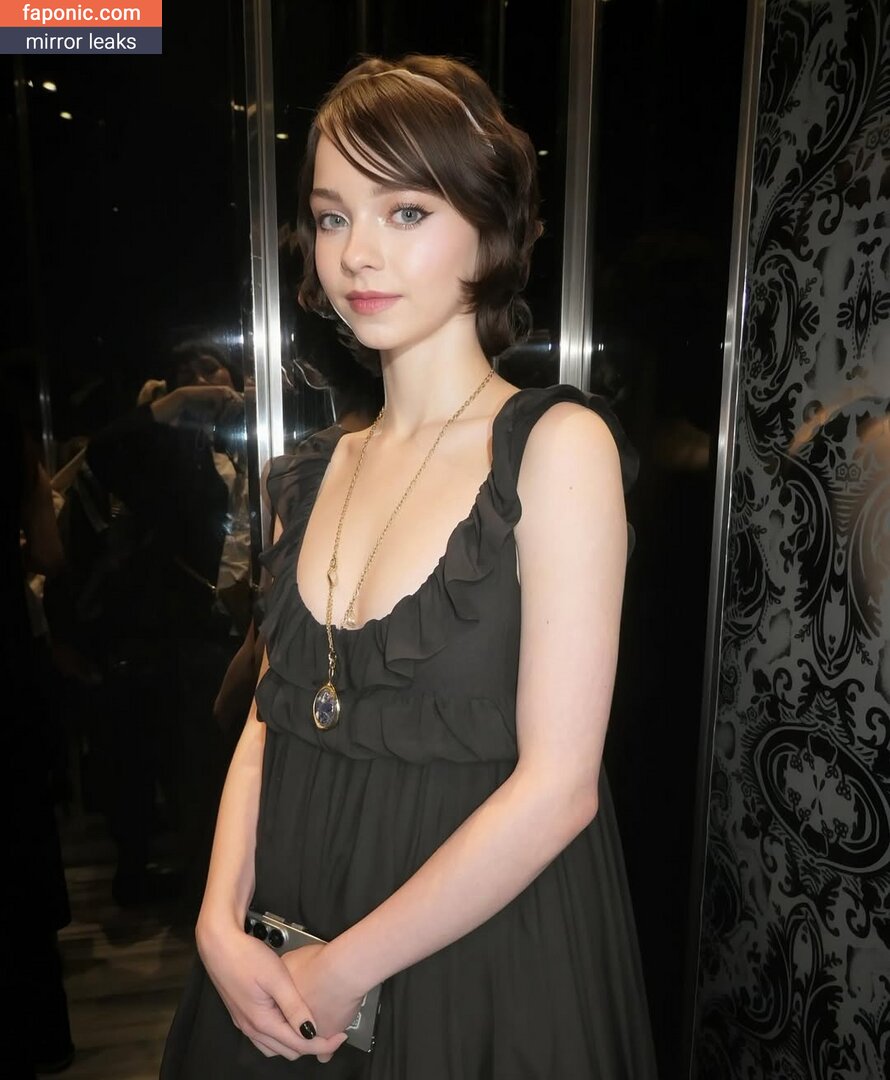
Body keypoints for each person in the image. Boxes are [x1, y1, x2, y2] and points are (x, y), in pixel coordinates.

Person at [161, 54, 657, 1078]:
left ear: (488, 223)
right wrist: (215, 921)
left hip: (471, 961)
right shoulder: (314, 471)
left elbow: (560, 786)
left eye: (406, 212)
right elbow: (270, 719)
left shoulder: (555, 448)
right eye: (332, 216)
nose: (357, 254)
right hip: (280, 941)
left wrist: (342, 971)